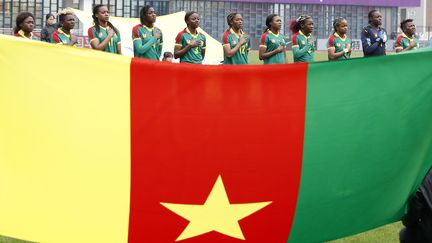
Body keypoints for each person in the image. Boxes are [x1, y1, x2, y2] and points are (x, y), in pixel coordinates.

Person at [399, 167, 432, 243]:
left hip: (428, 234)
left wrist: (407, 222)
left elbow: (414, 211)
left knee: (404, 235)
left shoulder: (424, 174)